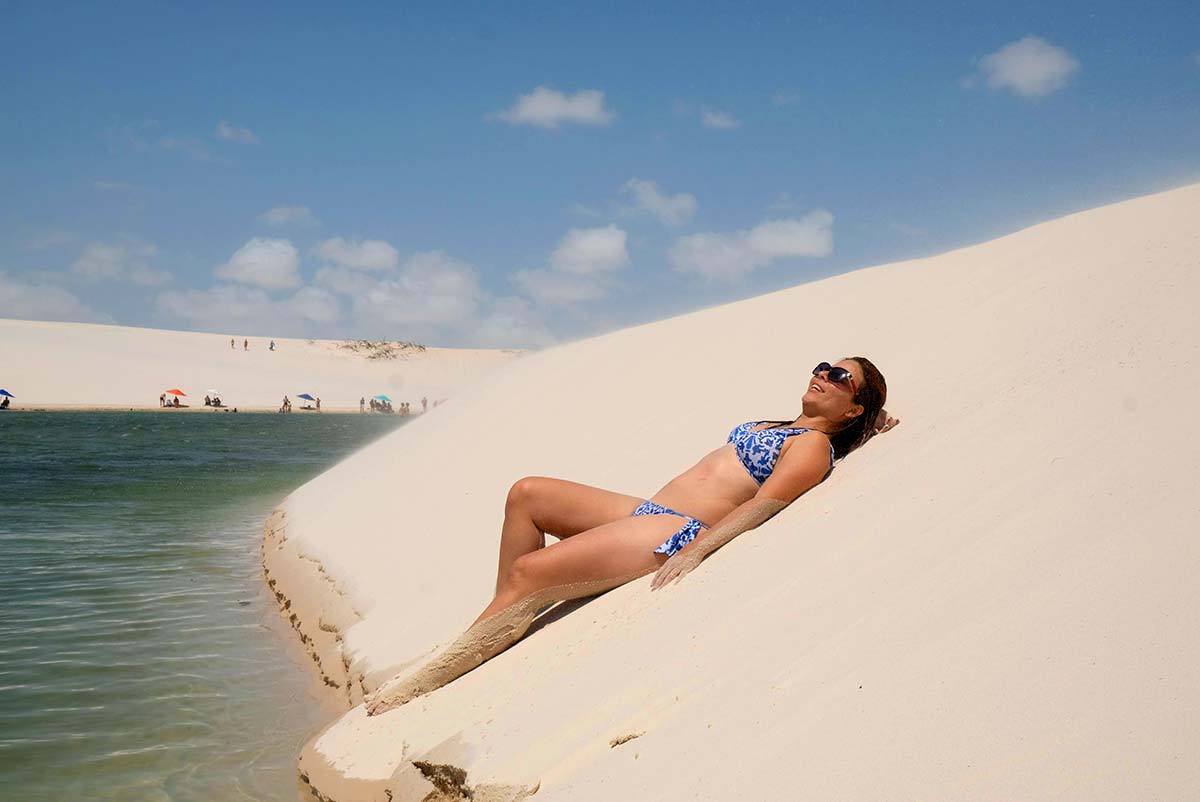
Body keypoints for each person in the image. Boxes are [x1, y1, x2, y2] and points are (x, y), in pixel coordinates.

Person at [365, 357, 899, 715]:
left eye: (841, 379)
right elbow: (842, 426)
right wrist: (871, 425)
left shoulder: (811, 448)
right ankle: (496, 620)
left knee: (530, 573)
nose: (825, 376)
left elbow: (766, 504)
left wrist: (697, 548)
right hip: (648, 511)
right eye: (824, 367)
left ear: (852, 408)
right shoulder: (783, 427)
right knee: (527, 493)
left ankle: (435, 674)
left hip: (673, 531)